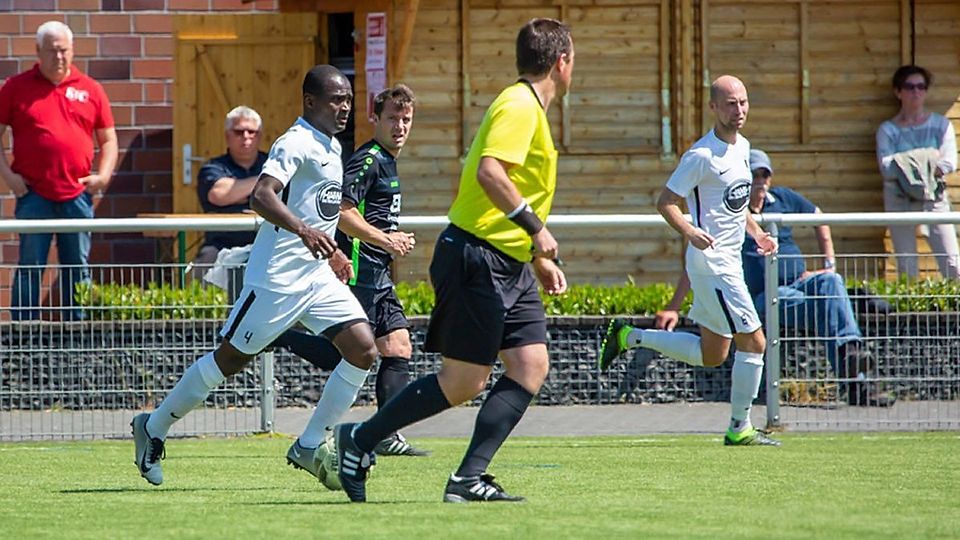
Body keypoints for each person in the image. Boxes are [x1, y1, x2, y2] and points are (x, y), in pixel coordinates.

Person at [332, 18, 573, 503]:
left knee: (530, 365)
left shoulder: (529, 109)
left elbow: (510, 187)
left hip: (510, 262)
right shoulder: (520, 105)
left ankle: (468, 479)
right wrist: (537, 229)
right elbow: (490, 173)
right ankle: (358, 440)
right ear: (562, 62)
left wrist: (535, 256)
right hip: (476, 256)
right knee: (464, 381)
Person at [131, 65, 381, 488]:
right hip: (276, 280)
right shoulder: (295, 141)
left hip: (317, 278)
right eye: (336, 100)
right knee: (227, 362)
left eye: (348, 100)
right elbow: (261, 196)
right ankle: (153, 426)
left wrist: (333, 251)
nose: (344, 107)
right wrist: (304, 233)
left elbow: (317, 209)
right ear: (310, 102)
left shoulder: (332, 146)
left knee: (363, 351)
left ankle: (310, 443)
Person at [600, 75, 781, 447]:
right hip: (713, 264)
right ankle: (739, 427)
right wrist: (689, 231)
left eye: (743, 102)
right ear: (713, 107)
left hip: (728, 262)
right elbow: (666, 201)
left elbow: (736, 203)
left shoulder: (743, 147)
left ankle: (629, 336)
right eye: (730, 103)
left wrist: (757, 233)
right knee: (756, 342)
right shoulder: (701, 155)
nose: (739, 110)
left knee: (713, 354)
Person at [273, 84, 430, 457]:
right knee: (343, 354)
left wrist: (387, 243)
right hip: (359, 267)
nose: (400, 126)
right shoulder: (368, 159)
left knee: (398, 346)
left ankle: (386, 433)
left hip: (377, 270)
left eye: (406, 119)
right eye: (392, 118)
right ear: (375, 118)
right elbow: (342, 213)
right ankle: (279, 335)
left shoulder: (388, 160)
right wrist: (386, 241)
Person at [0, 21, 117, 321]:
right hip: (33, 193)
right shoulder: (16, 88)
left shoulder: (90, 89)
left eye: (64, 50)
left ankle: (77, 333)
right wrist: (10, 178)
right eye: (52, 51)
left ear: (72, 50)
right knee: (30, 264)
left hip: (77, 194)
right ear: (38, 51)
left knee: (77, 264)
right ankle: (23, 334)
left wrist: (102, 176)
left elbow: (108, 139)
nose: (59, 57)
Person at [876, 65, 960, 279]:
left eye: (921, 87)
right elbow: (886, 168)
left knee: (952, 261)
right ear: (898, 92)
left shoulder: (941, 125)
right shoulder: (888, 130)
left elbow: (949, 163)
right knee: (906, 263)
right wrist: (929, 158)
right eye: (910, 87)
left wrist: (907, 162)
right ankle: (910, 312)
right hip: (899, 198)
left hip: (934, 198)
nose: (916, 92)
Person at [192, 105, 266, 277]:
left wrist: (238, 190)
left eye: (251, 132)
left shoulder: (273, 163)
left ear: (259, 136)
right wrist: (264, 183)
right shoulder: (213, 167)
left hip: (266, 243)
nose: (246, 137)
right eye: (239, 132)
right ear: (227, 136)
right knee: (202, 268)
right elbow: (219, 195)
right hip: (221, 245)